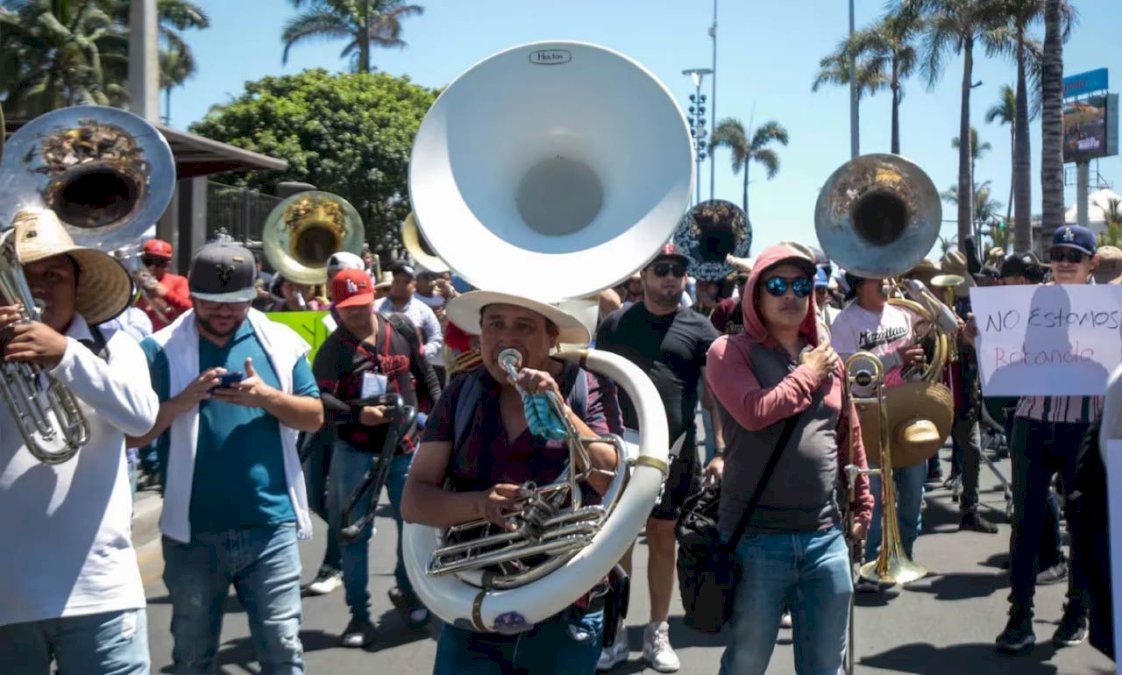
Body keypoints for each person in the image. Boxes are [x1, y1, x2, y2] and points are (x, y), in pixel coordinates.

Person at [127, 242, 324, 673]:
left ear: (251, 297)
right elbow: (133, 437)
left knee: (283, 650)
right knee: (193, 656)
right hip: (192, 535)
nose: (224, 313)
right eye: (212, 303)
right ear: (192, 297)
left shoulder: (281, 341)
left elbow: (314, 417)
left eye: (235, 303)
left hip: (271, 528)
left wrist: (268, 397)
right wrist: (183, 400)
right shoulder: (159, 349)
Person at [401, 291, 621, 674]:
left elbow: (610, 483)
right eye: (495, 325)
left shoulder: (588, 387)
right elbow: (414, 501)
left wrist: (563, 411)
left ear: (553, 337)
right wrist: (480, 504)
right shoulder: (460, 393)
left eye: (524, 326)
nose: (506, 339)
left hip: (567, 606)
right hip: (476, 604)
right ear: (480, 334)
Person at [0, 208, 159, 675]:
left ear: (77, 284)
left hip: (101, 593)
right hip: (8, 597)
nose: (38, 287)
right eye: (23, 276)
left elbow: (140, 418)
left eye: (53, 274)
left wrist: (66, 354)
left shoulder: (114, 348)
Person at [705, 243, 873, 675]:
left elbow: (848, 435)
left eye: (802, 285)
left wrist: (866, 502)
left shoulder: (828, 359)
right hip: (755, 540)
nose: (791, 295)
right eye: (777, 284)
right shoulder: (729, 351)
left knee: (826, 668)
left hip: (825, 538)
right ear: (755, 295)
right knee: (745, 665)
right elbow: (754, 411)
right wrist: (809, 371)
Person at [595, 243, 723, 672]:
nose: (671, 277)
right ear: (644, 276)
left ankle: (657, 631)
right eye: (662, 269)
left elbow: (715, 395)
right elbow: (600, 386)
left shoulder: (701, 328)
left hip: (677, 451)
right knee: (619, 542)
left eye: (678, 270)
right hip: (623, 450)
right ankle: (614, 632)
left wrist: (719, 448)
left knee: (664, 535)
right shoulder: (615, 324)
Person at [987, 225, 1102, 654]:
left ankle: (1077, 612)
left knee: (1082, 525)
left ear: (1093, 263)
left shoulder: (1111, 305)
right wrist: (978, 336)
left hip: (1085, 426)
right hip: (1032, 421)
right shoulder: (1026, 302)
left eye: (1075, 254)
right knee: (1025, 522)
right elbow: (1005, 351)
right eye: (1058, 253)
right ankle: (1020, 617)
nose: (1065, 261)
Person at [313, 268, 441, 647]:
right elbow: (320, 399)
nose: (355, 312)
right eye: (347, 307)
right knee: (355, 534)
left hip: (404, 447)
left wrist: (433, 421)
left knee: (413, 528)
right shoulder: (333, 350)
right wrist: (357, 413)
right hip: (354, 451)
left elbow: (426, 377)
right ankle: (358, 616)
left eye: (361, 303)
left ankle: (407, 591)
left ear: (374, 296)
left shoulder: (399, 328)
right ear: (336, 308)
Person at [829, 271, 928, 593]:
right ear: (859, 285)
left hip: (906, 411)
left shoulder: (902, 312)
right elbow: (848, 371)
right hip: (868, 414)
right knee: (872, 492)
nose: (886, 284)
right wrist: (895, 357)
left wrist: (917, 360)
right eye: (877, 280)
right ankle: (873, 563)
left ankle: (904, 555)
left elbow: (934, 335)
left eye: (886, 278)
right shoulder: (845, 322)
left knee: (913, 490)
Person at [135, 238, 192, 331]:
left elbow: (189, 309)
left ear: (167, 264)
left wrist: (166, 294)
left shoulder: (179, 281)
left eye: (159, 262)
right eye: (149, 261)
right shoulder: (134, 282)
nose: (153, 266)